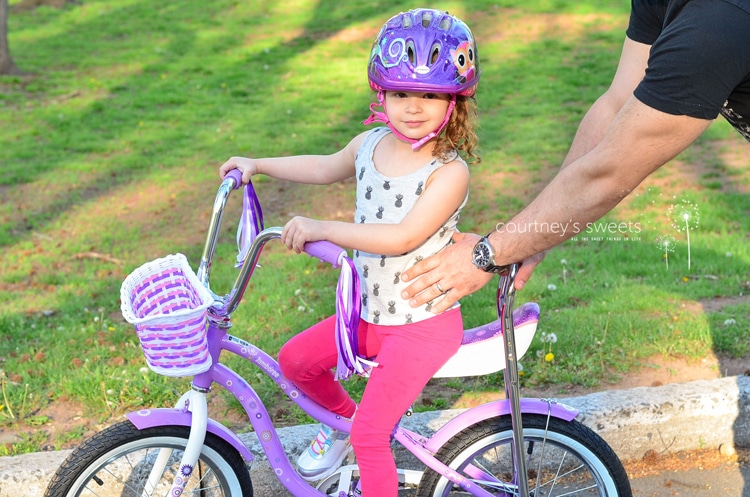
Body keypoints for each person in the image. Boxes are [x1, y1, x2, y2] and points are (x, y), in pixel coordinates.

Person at [219, 9, 481, 496]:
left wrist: (326, 228)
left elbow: (403, 236)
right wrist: (258, 164)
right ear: (382, 94)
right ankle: (342, 424)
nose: (413, 106)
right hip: (369, 312)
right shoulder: (370, 143)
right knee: (296, 362)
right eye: (401, 93)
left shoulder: (449, 171)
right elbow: (323, 166)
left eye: (429, 95)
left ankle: (357, 436)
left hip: (421, 324)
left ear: (454, 102)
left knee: (371, 438)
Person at [400, 0, 750, 312]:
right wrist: (536, 230)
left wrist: (485, 256)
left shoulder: (716, 24)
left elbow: (610, 172)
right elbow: (617, 103)